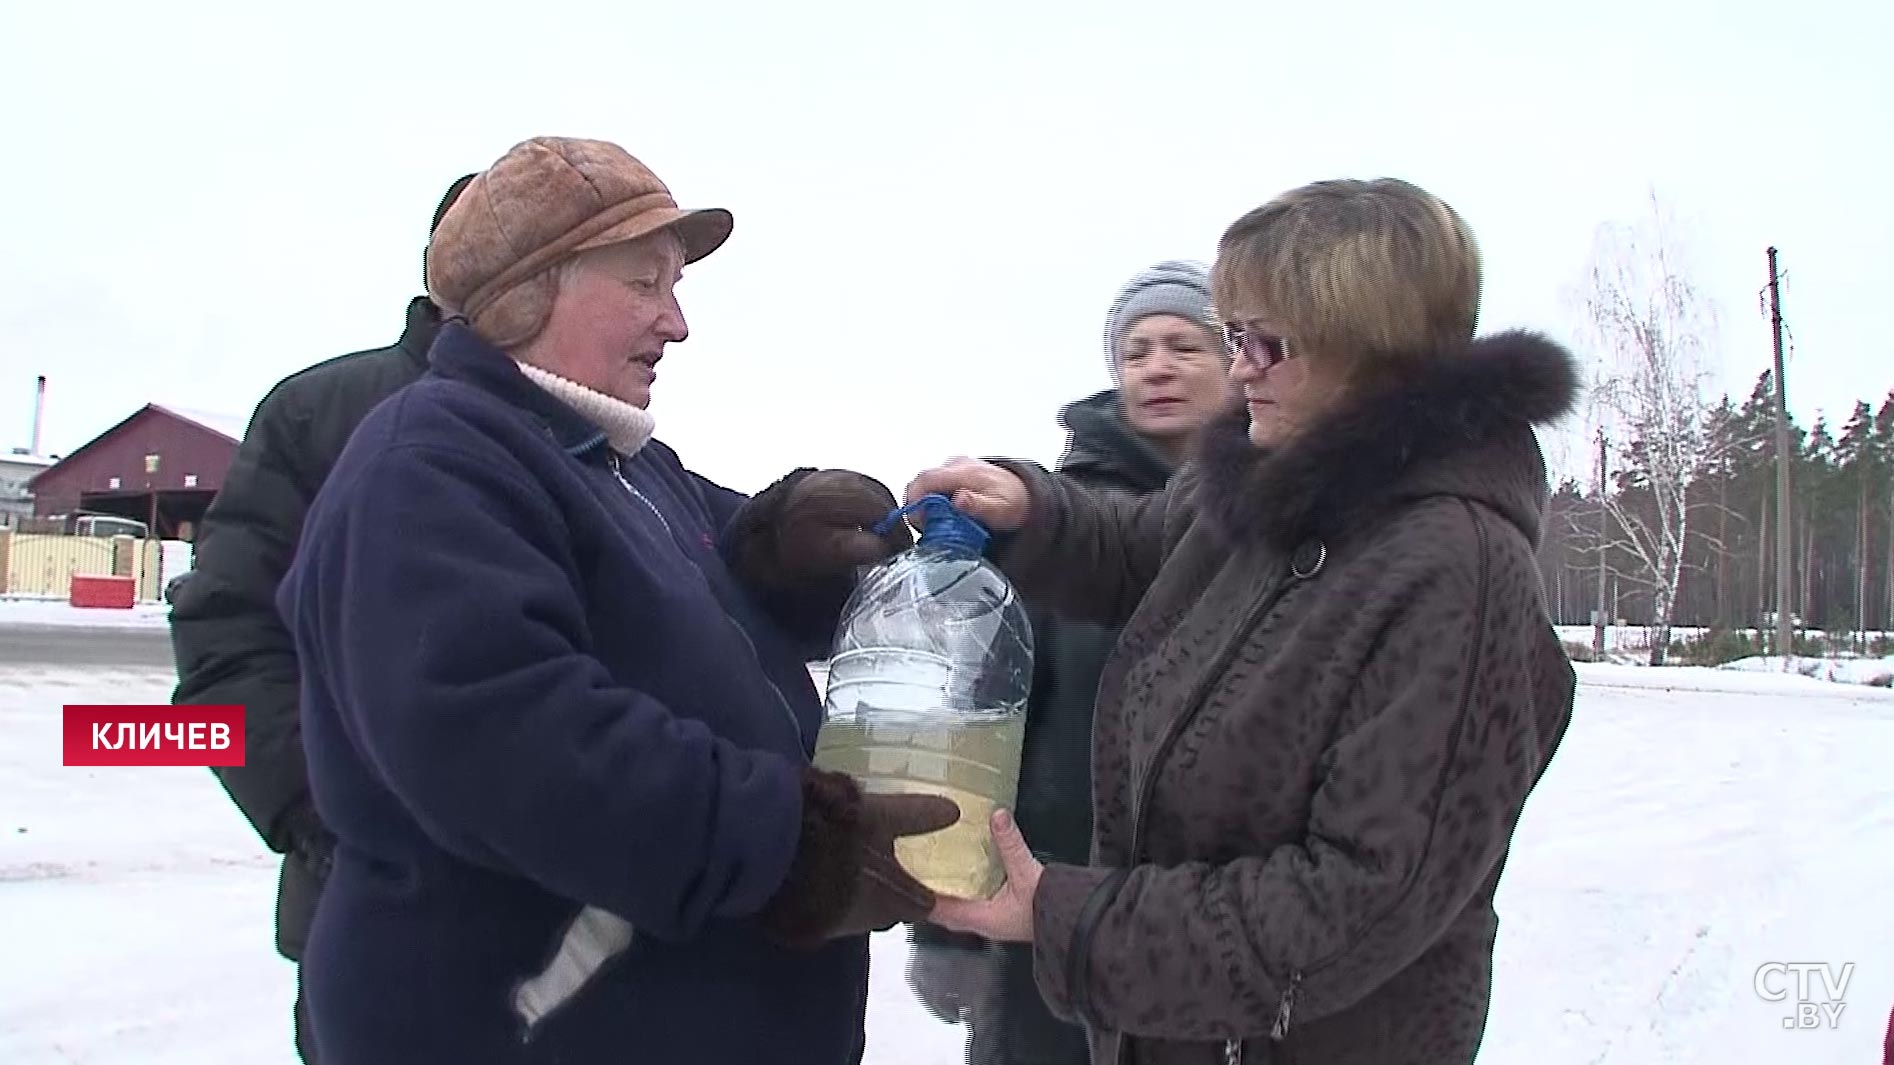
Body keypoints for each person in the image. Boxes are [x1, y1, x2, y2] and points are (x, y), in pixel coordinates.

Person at [272, 135, 961, 1065]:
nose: (676, 324)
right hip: (524, 1024)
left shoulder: (609, 456)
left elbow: (705, 574)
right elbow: (510, 742)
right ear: (529, 291)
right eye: (645, 285)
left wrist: (788, 545)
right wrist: (791, 845)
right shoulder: (429, 468)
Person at [909, 177, 1580, 1064]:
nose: (1240, 367)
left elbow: (1351, 902)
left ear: (1368, 348)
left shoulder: (1457, 571)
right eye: (1235, 336)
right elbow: (1142, 550)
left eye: (1267, 341)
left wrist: (1074, 919)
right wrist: (1034, 509)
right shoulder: (1268, 484)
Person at [166, 170, 476, 1063]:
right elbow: (224, 644)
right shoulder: (324, 414)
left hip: (570, 932)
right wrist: (325, 818)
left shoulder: (592, 429)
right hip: (374, 920)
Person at [904, 260, 1236, 1065]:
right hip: (1046, 910)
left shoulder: (1269, 519)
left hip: (1213, 921)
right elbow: (977, 717)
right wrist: (939, 921)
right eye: (1136, 350)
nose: (1156, 365)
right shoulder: (1056, 533)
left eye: (1185, 346)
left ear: (1237, 364)